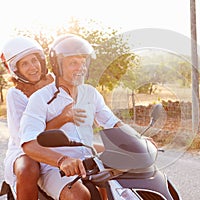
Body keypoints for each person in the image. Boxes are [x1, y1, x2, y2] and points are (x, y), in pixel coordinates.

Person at [19, 34, 122, 200]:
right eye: (73, 63)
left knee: (123, 189)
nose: (81, 68)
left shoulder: (91, 93)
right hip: (55, 167)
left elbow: (112, 122)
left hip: (91, 160)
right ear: (58, 66)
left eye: (83, 62)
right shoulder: (41, 98)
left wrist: (138, 139)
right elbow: (29, 144)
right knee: (79, 195)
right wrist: (62, 160)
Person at [1, 36, 56, 199]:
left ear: (41, 61)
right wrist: (61, 120)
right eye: (24, 64)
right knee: (27, 169)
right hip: (26, 148)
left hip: (58, 144)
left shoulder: (56, 84)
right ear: (16, 70)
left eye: (34, 60)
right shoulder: (15, 94)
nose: (32, 67)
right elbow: (22, 137)